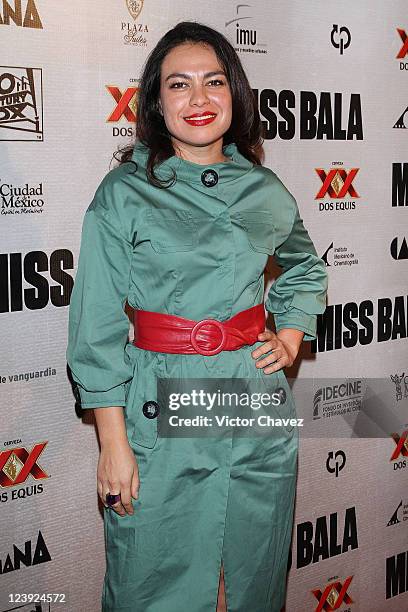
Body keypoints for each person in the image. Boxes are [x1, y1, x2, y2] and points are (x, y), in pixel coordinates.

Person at [66, 20, 328, 612]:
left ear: (234, 93)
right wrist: (112, 441)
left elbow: (306, 268)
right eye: (178, 85)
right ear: (158, 103)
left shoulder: (263, 188)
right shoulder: (123, 194)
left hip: (253, 399)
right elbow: (97, 324)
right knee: (151, 583)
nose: (199, 99)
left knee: (253, 576)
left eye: (214, 82)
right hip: (162, 400)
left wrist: (289, 334)